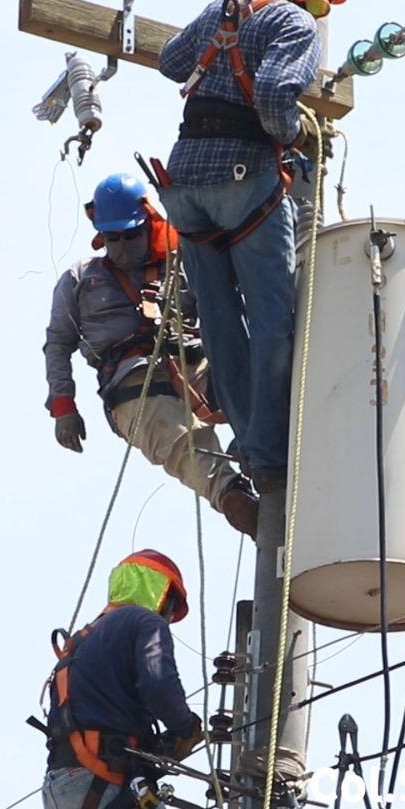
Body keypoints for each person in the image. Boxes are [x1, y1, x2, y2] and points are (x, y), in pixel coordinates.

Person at [156, 0, 348, 494]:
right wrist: (293, 138)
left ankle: (252, 442)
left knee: (219, 320)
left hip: (186, 181)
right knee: (273, 322)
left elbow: (171, 62)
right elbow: (271, 94)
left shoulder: (227, 8)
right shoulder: (295, 24)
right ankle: (271, 448)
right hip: (243, 178)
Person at [44, 173, 258, 537]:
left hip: (198, 364)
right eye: (114, 238)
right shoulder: (80, 278)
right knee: (189, 453)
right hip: (134, 385)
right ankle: (243, 507)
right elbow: (58, 344)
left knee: (259, 400)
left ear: (148, 224)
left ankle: (262, 456)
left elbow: (226, 305)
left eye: (131, 235)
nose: (123, 245)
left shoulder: (184, 264)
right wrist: (64, 407)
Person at [39, 550, 203, 809]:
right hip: (106, 783)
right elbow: (158, 684)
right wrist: (186, 727)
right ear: (162, 595)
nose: (168, 617)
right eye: (170, 608)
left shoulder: (81, 641)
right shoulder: (145, 621)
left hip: (62, 791)